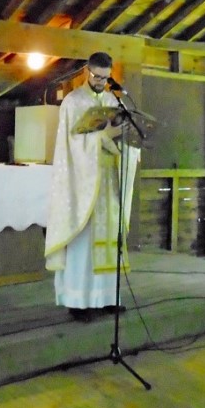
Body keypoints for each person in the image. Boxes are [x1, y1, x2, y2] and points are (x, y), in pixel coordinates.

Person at [44, 52, 139, 322]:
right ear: (87, 71)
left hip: (108, 180)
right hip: (83, 184)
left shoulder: (112, 101)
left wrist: (124, 136)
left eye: (105, 78)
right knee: (84, 243)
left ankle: (107, 298)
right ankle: (79, 302)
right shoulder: (73, 102)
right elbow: (71, 144)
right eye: (97, 76)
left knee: (109, 241)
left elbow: (120, 136)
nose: (100, 81)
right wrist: (102, 137)